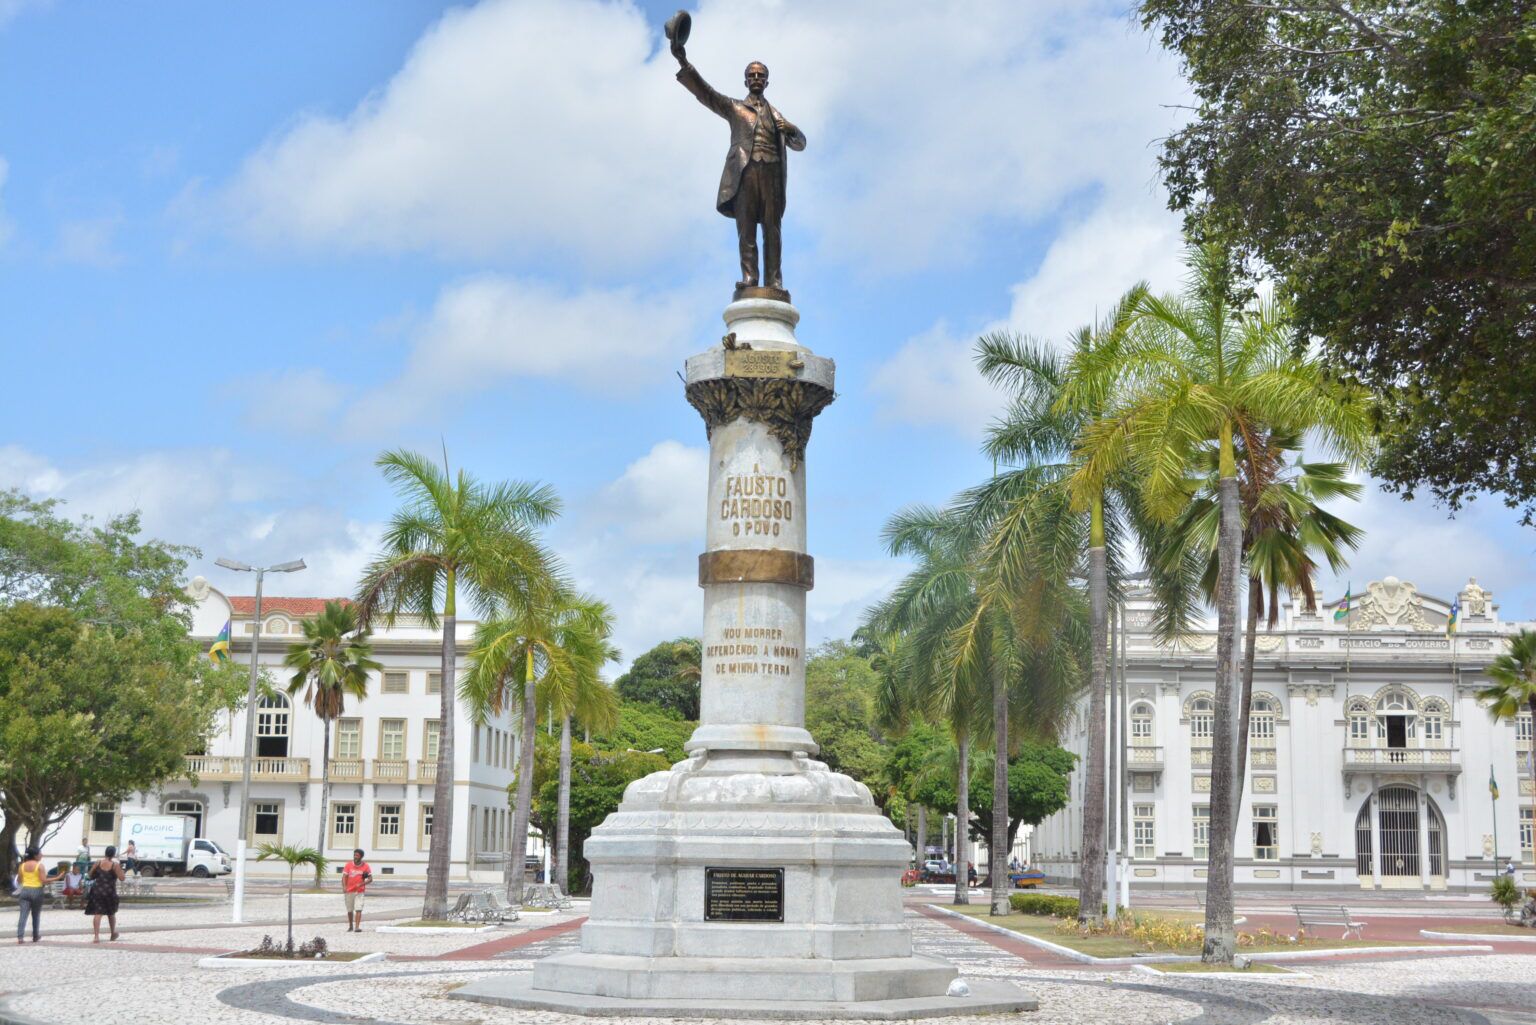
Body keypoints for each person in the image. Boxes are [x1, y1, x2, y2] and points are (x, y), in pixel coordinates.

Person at [670, 34, 806, 295]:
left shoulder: (777, 115)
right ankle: (749, 277)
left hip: (772, 174)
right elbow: (706, 94)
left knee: (773, 230)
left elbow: (800, 144)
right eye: (751, 75)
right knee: (746, 228)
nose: (756, 78)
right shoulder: (735, 108)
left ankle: (774, 281)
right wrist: (683, 62)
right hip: (745, 172)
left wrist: (791, 128)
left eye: (760, 75)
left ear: (767, 81)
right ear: (746, 81)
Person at [15, 846, 63, 944]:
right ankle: (35, 936)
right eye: (40, 853)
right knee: (35, 915)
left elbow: (19, 880)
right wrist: (57, 878)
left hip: (25, 890)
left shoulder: (22, 866)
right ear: (35, 855)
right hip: (37, 891)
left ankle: (20, 937)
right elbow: (43, 880)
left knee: (23, 915)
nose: (42, 855)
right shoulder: (39, 866)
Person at [84, 845, 125, 942]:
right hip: (109, 891)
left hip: (97, 890)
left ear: (105, 853)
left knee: (98, 913)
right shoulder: (115, 865)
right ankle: (112, 933)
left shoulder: (98, 863)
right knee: (111, 913)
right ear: (113, 854)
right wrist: (122, 870)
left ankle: (96, 937)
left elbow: (89, 875)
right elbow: (122, 878)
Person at [341, 849, 372, 932]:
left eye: (357, 855)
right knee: (350, 910)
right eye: (354, 855)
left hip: (359, 891)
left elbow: (370, 879)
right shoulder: (348, 865)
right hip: (349, 890)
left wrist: (361, 884)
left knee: (359, 908)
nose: (355, 857)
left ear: (361, 857)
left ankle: (357, 927)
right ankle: (350, 926)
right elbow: (344, 877)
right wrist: (344, 887)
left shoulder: (365, 866)